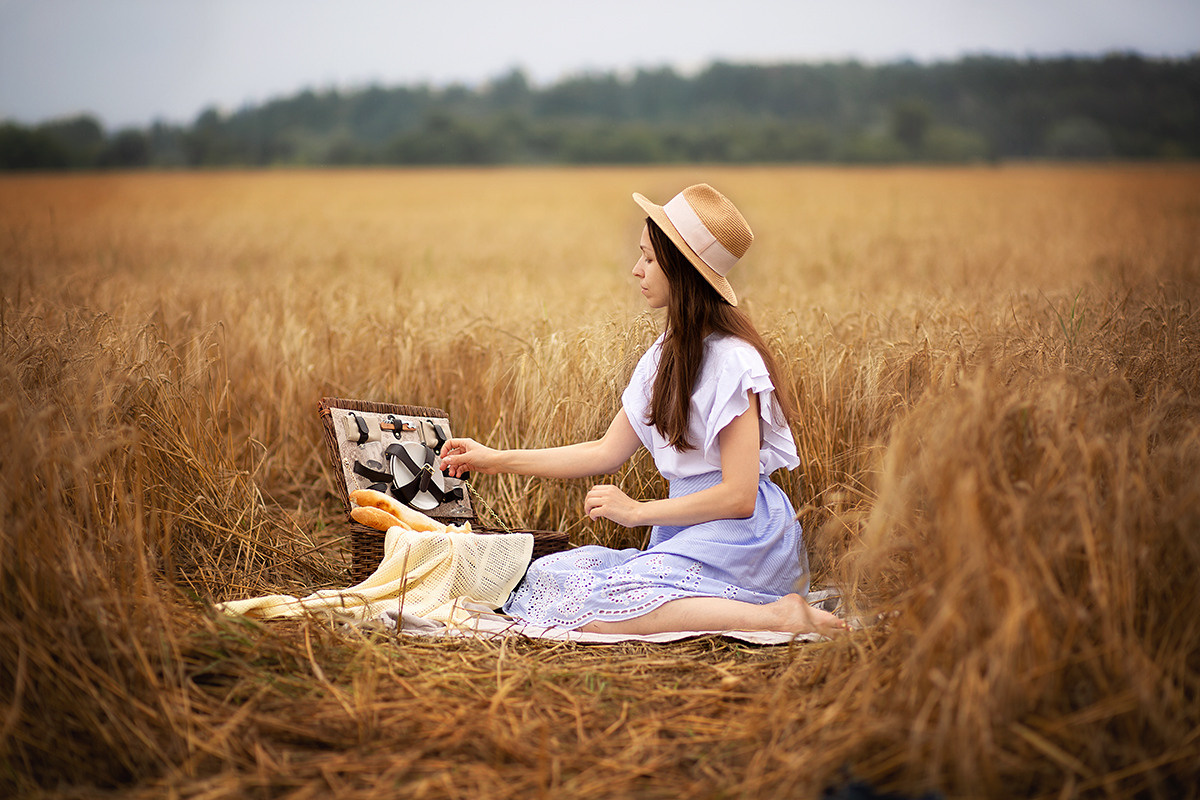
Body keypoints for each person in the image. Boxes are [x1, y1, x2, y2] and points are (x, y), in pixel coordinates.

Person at [440, 183, 845, 637]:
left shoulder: (734, 361)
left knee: (599, 610)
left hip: (744, 537)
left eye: (649, 259)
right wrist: (493, 458)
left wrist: (637, 511)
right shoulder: (664, 356)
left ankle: (777, 615)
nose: (637, 270)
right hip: (690, 530)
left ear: (682, 270)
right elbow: (604, 452)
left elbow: (739, 496)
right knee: (546, 579)